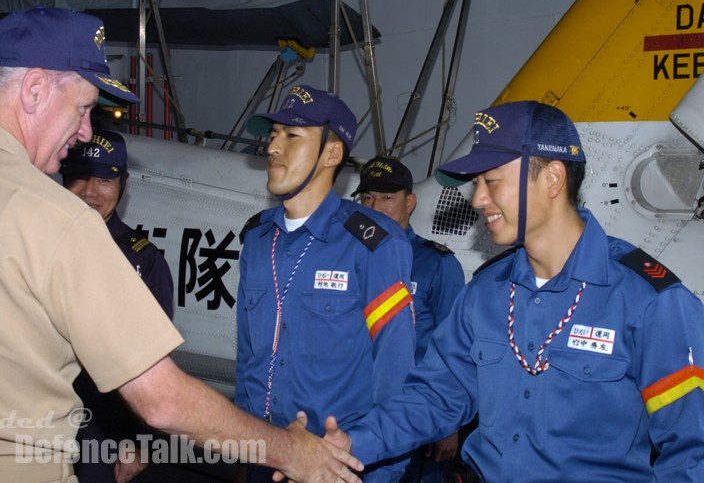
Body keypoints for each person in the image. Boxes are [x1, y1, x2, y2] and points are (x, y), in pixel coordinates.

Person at [0, 6, 362, 483]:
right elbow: (161, 400)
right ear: (35, 89)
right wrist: (291, 450)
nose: (84, 131)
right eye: (82, 108)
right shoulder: (57, 219)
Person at [342, 101, 704, 481]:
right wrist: (346, 447)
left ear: (552, 178)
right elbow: (434, 397)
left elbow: (693, 450)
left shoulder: (648, 300)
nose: (478, 198)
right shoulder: (484, 294)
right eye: (476, 183)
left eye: (491, 180)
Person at [235, 85, 417, 483]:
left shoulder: (373, 243)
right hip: (263, 462)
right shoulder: (257, 240)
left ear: (332, 154)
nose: (273, 148)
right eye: (272, 135)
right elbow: (247, 358)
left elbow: (394, 371)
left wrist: (382, 475)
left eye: (292, 136)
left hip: (337, 469)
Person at [60, 129, 175, 482]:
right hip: (35, 420)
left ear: (122, 185)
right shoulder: (38, 243)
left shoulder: (144, 261)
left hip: (103, 428)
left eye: (104, 180)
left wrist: (140, 441)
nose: (90, 192)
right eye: (79, 177)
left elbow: (154, 364)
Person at [351, 156, 466, 483]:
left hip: (410, 417)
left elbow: (453, 349)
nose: (375, 207)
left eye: (387, 198)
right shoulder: (346, 257)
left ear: (410, 202)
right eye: (368, 198)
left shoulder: (437, 264)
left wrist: (449, 424)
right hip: (352, 411)